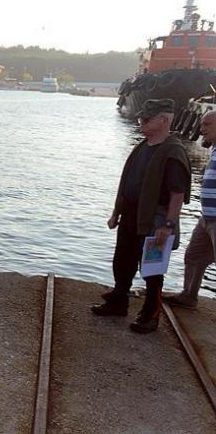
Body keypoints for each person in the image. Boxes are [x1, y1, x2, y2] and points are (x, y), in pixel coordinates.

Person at [91, 99, 191, 333]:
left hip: (155, 221)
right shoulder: (142, 146)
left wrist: (168, 225)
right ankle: (118, 300)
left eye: (146, 119)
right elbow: (128, 182)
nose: (141, 122)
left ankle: (150, 314)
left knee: (152, 269)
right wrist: (117, 212)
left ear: (164, 120)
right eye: (140, 118)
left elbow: (177, 194)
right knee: (123, 259)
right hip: (131, 216)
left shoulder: (172, 153)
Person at [165, 110, 216, 309]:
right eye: (202, 124)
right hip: (207, 218)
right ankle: (188, 296)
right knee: (194, 256)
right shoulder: (213, 148)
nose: (201, 129)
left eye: (207, 125)